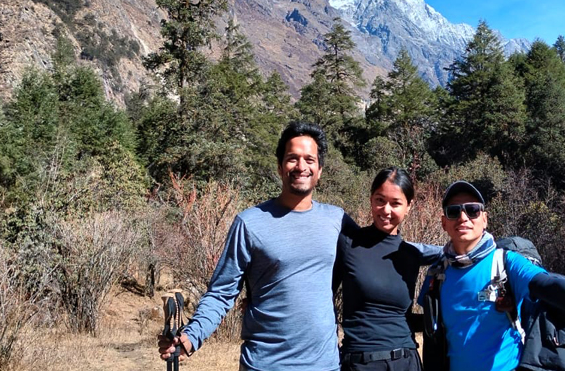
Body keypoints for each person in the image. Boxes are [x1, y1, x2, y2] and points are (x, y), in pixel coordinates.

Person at [158, 121, 357, 371]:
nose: (301, 166)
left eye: (309, 159)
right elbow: (222, 292)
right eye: (292, 158)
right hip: (264, 364)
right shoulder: (250, 223)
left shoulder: (337, 220)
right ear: (279, 166)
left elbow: (374, 256)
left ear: (320, 170)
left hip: (324, 364)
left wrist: (419, 257)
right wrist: (190, 337)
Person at [420, 181, 565, 371]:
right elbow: (429, 329)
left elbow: (546, 284)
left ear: (485, 219)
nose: (463, 217)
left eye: (472, 210)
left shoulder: (506, 262)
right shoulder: (437, 274)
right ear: (444, 222)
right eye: (454, 212)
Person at [334, 167, 442, 371]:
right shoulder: (348, 244)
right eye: (380, 200)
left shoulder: (411, 255)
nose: (386, 210)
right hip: (360, 362)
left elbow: (459, 252)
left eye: (396, 203)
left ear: (409, 206)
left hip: (406, 360)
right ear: (371, 200)